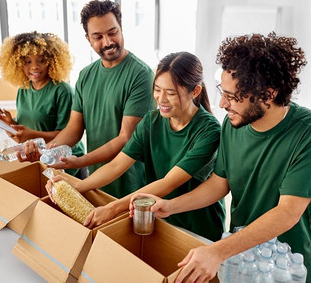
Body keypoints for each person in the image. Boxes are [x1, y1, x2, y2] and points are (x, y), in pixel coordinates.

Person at [130, 33, 311, 283]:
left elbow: (288, 212)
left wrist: (217, 251)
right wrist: (170, 205)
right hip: (241, 256)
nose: (222, 103)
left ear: (268, 94)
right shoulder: (232, 124)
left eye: (233, 96)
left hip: (288, 266)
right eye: (222, 91)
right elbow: (219, 183)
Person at [51, 52, 225, 241]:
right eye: (157, 89)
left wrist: (113, 208)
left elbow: (168, 183)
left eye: (171, 93)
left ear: (195, 91)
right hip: (160, 219)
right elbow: (116, 165)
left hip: (198, 228)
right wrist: (77, 187)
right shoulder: (150, 122)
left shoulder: (209, 131)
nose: (161, 99)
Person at [25, 0, 154, 198]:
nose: (108, 42)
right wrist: (47, 150)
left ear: (121, 28)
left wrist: (80, 161)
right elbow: (74, 129)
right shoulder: (86, 75)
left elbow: (126, 138)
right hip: (97, 181)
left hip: (132, 186)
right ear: (88, 39)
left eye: (113, 33)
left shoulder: (140, 74)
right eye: (98, 37)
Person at [0, 31, 85, 177]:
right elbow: (29, 126)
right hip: (40, 160)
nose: (35, 67)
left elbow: (69, 134)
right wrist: (11, 124)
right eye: (28, 61)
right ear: (19, 64)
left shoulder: (63, 91)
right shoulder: (23, 90)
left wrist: (30, 135)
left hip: (65, 163)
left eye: (41, 60)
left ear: (51, 61)